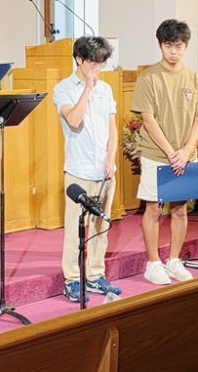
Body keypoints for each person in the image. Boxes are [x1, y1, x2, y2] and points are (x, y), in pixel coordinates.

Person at [131, 19, 198, 285]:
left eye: (178, 46)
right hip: (157, 154)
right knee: (154, 209)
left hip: (185, 155)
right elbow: (147, 118)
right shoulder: (149, 78)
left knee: (179, 209)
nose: (173, 51)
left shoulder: (194, 78)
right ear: (160, 45)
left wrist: (187, 149)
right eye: (168, 46)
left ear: (186, 46)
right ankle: (153, 263)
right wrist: (170, 152)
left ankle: (174, 260)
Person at [52, 36, 122, 303]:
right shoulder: (63, 89)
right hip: (78, 170)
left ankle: (95, 275)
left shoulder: (106, 89)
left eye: (101, 63)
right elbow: (73, 119)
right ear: (79, 59)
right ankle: (71, 279)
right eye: (92, 62)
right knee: (75, 228)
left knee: (101, 226)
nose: (97, 68)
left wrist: (111, 159)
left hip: (104, 170)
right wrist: (88, 89)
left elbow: (112, 128)